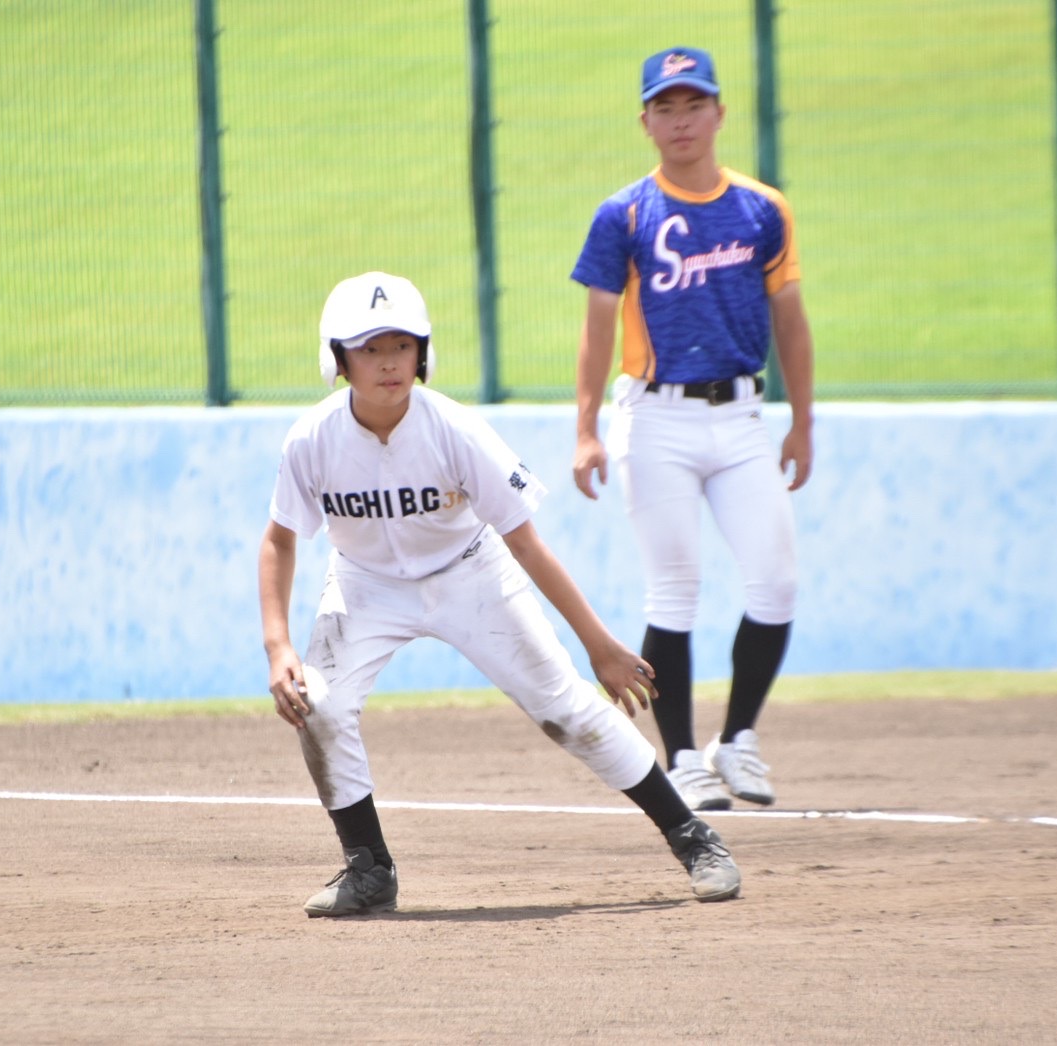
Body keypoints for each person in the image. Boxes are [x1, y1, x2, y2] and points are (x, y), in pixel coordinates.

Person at [257, 270, 742, 916]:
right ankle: (368, 867)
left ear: (423, 354)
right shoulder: (312, 439)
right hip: (364, 584)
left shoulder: (455, 430)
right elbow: (279, 541)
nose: (389, 362)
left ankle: (693, 836)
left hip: (471, 573)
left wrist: (597, 645)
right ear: (337, 360)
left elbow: (526, 544)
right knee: (317, 704)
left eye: (401, 345)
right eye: (369, 349)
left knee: (567, 710)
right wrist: (278, 646)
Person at [569, 47, 815, 812]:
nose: (681, 120)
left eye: (694, 104)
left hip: (741, 414)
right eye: (665, 108)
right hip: (655, 416)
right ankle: (679, 757)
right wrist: (585, 428)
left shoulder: (762, 209)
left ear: (719, 113)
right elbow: (597, 328)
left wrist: (803, 422)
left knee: (776, 580)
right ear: (645, 122)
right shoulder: (625, 214)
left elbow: (791, 320)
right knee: (674, 589)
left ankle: (735, 740)